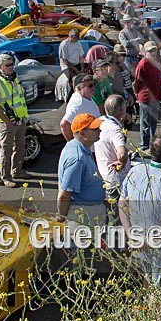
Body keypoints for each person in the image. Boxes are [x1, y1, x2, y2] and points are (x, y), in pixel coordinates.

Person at [119, 132, 161, 285]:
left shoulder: (134, 172)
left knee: (147, 280)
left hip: (140, 246)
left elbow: (122, 204)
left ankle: (144, 307)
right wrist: (145, 241)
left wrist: (131, 234)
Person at [0, 54, 31, 188]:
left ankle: (17, 171)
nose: (11, 67)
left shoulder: (14, 78)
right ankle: (5, 177)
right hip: (6, 122)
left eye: (12, 64)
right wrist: (6, 122)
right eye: (8, 65)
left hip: (20, 119)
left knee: (20, 146)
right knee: (6, 150)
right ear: (0, 67)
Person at [57, 113, 106, 226]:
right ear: (82, 132)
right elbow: (64, 195)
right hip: (84, 216)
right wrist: (61, 218)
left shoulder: (74, 146)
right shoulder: (78, 159)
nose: (100, 131)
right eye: (95, 129)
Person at [94, 95, 130, 223]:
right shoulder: (115, 130)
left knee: (109, 214)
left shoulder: (100, 121)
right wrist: (122, 162)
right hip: (116, 180)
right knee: (118, 217)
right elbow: (122, 152)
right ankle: (116, 241)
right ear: (121, 111)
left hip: (103, 176)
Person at [135, 41, 161, 152]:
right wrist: (136, 94)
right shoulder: (142, 64)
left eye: (154, 50)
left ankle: (152, 142)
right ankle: (144, 144)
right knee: (145, 121)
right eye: (151, 51)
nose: (153, 53)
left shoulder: (156, 62)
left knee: (153, 121)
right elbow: (137, 81)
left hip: (155, 96)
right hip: (145, 97)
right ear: (146, 52)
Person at [61, 73, 100, 140]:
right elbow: (64, 124)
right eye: (90, 86)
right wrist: (73, 144)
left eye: (94, 84)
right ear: (79, 88)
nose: (93, 88)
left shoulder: (87, 96)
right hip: (87, 145)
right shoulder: (78, 103)